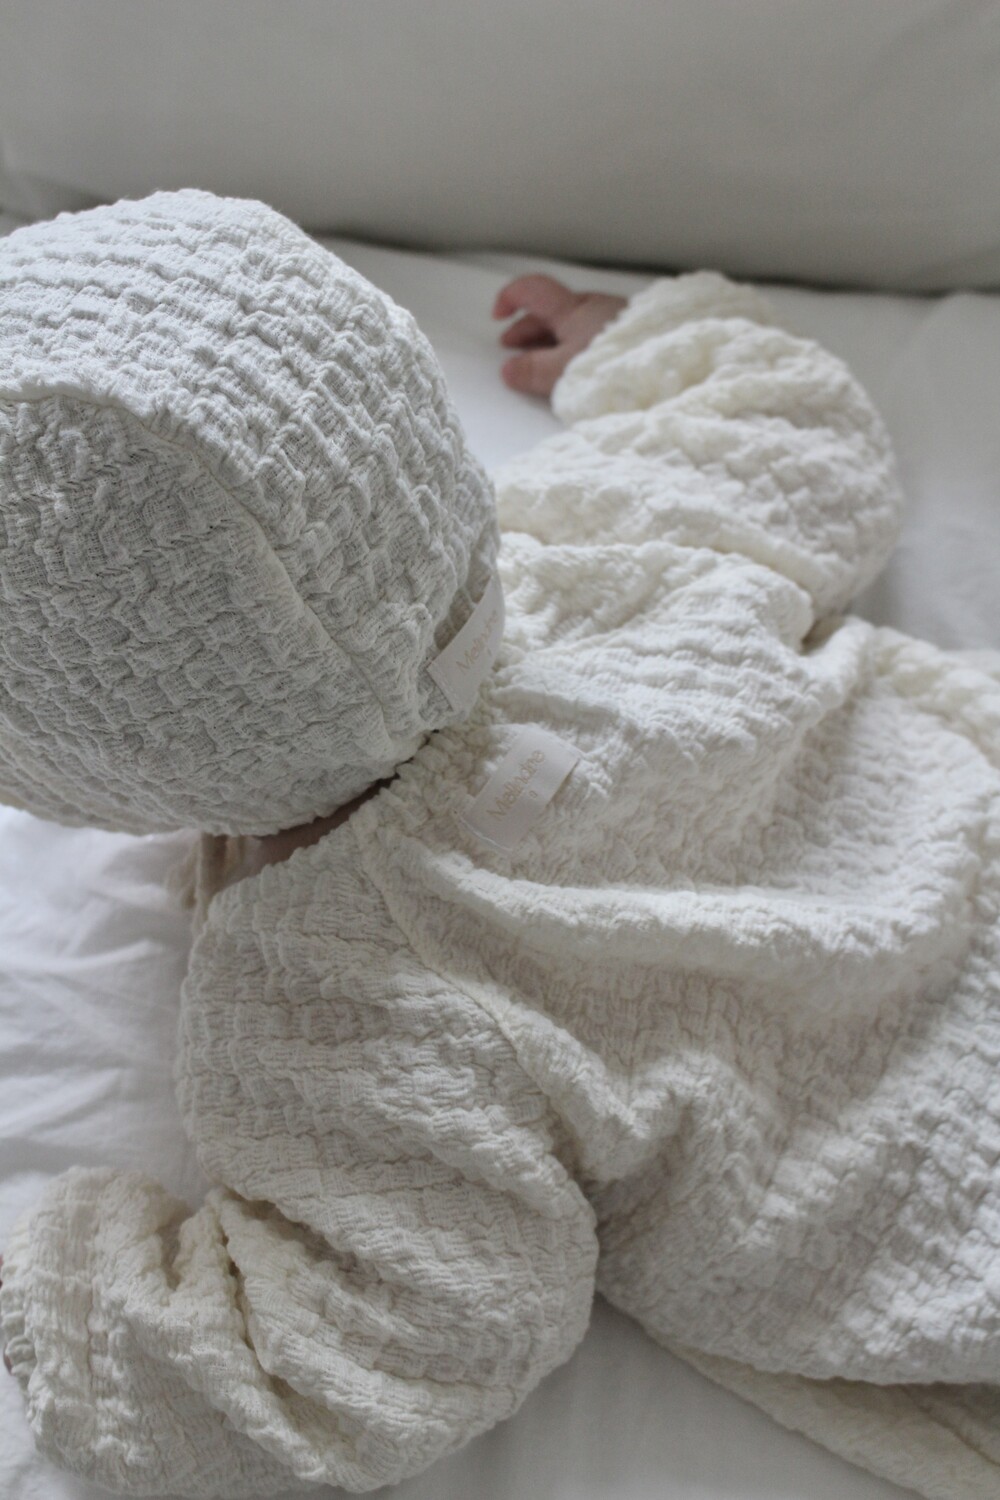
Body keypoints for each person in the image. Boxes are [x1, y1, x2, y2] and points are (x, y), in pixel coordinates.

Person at [2, 188, 1000, 1500]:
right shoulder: (608, 534)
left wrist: (77, 1293)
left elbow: (370, 1356)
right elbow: (794, 427)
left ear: (87, 762)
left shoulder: (342, 999)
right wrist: (637, 341)